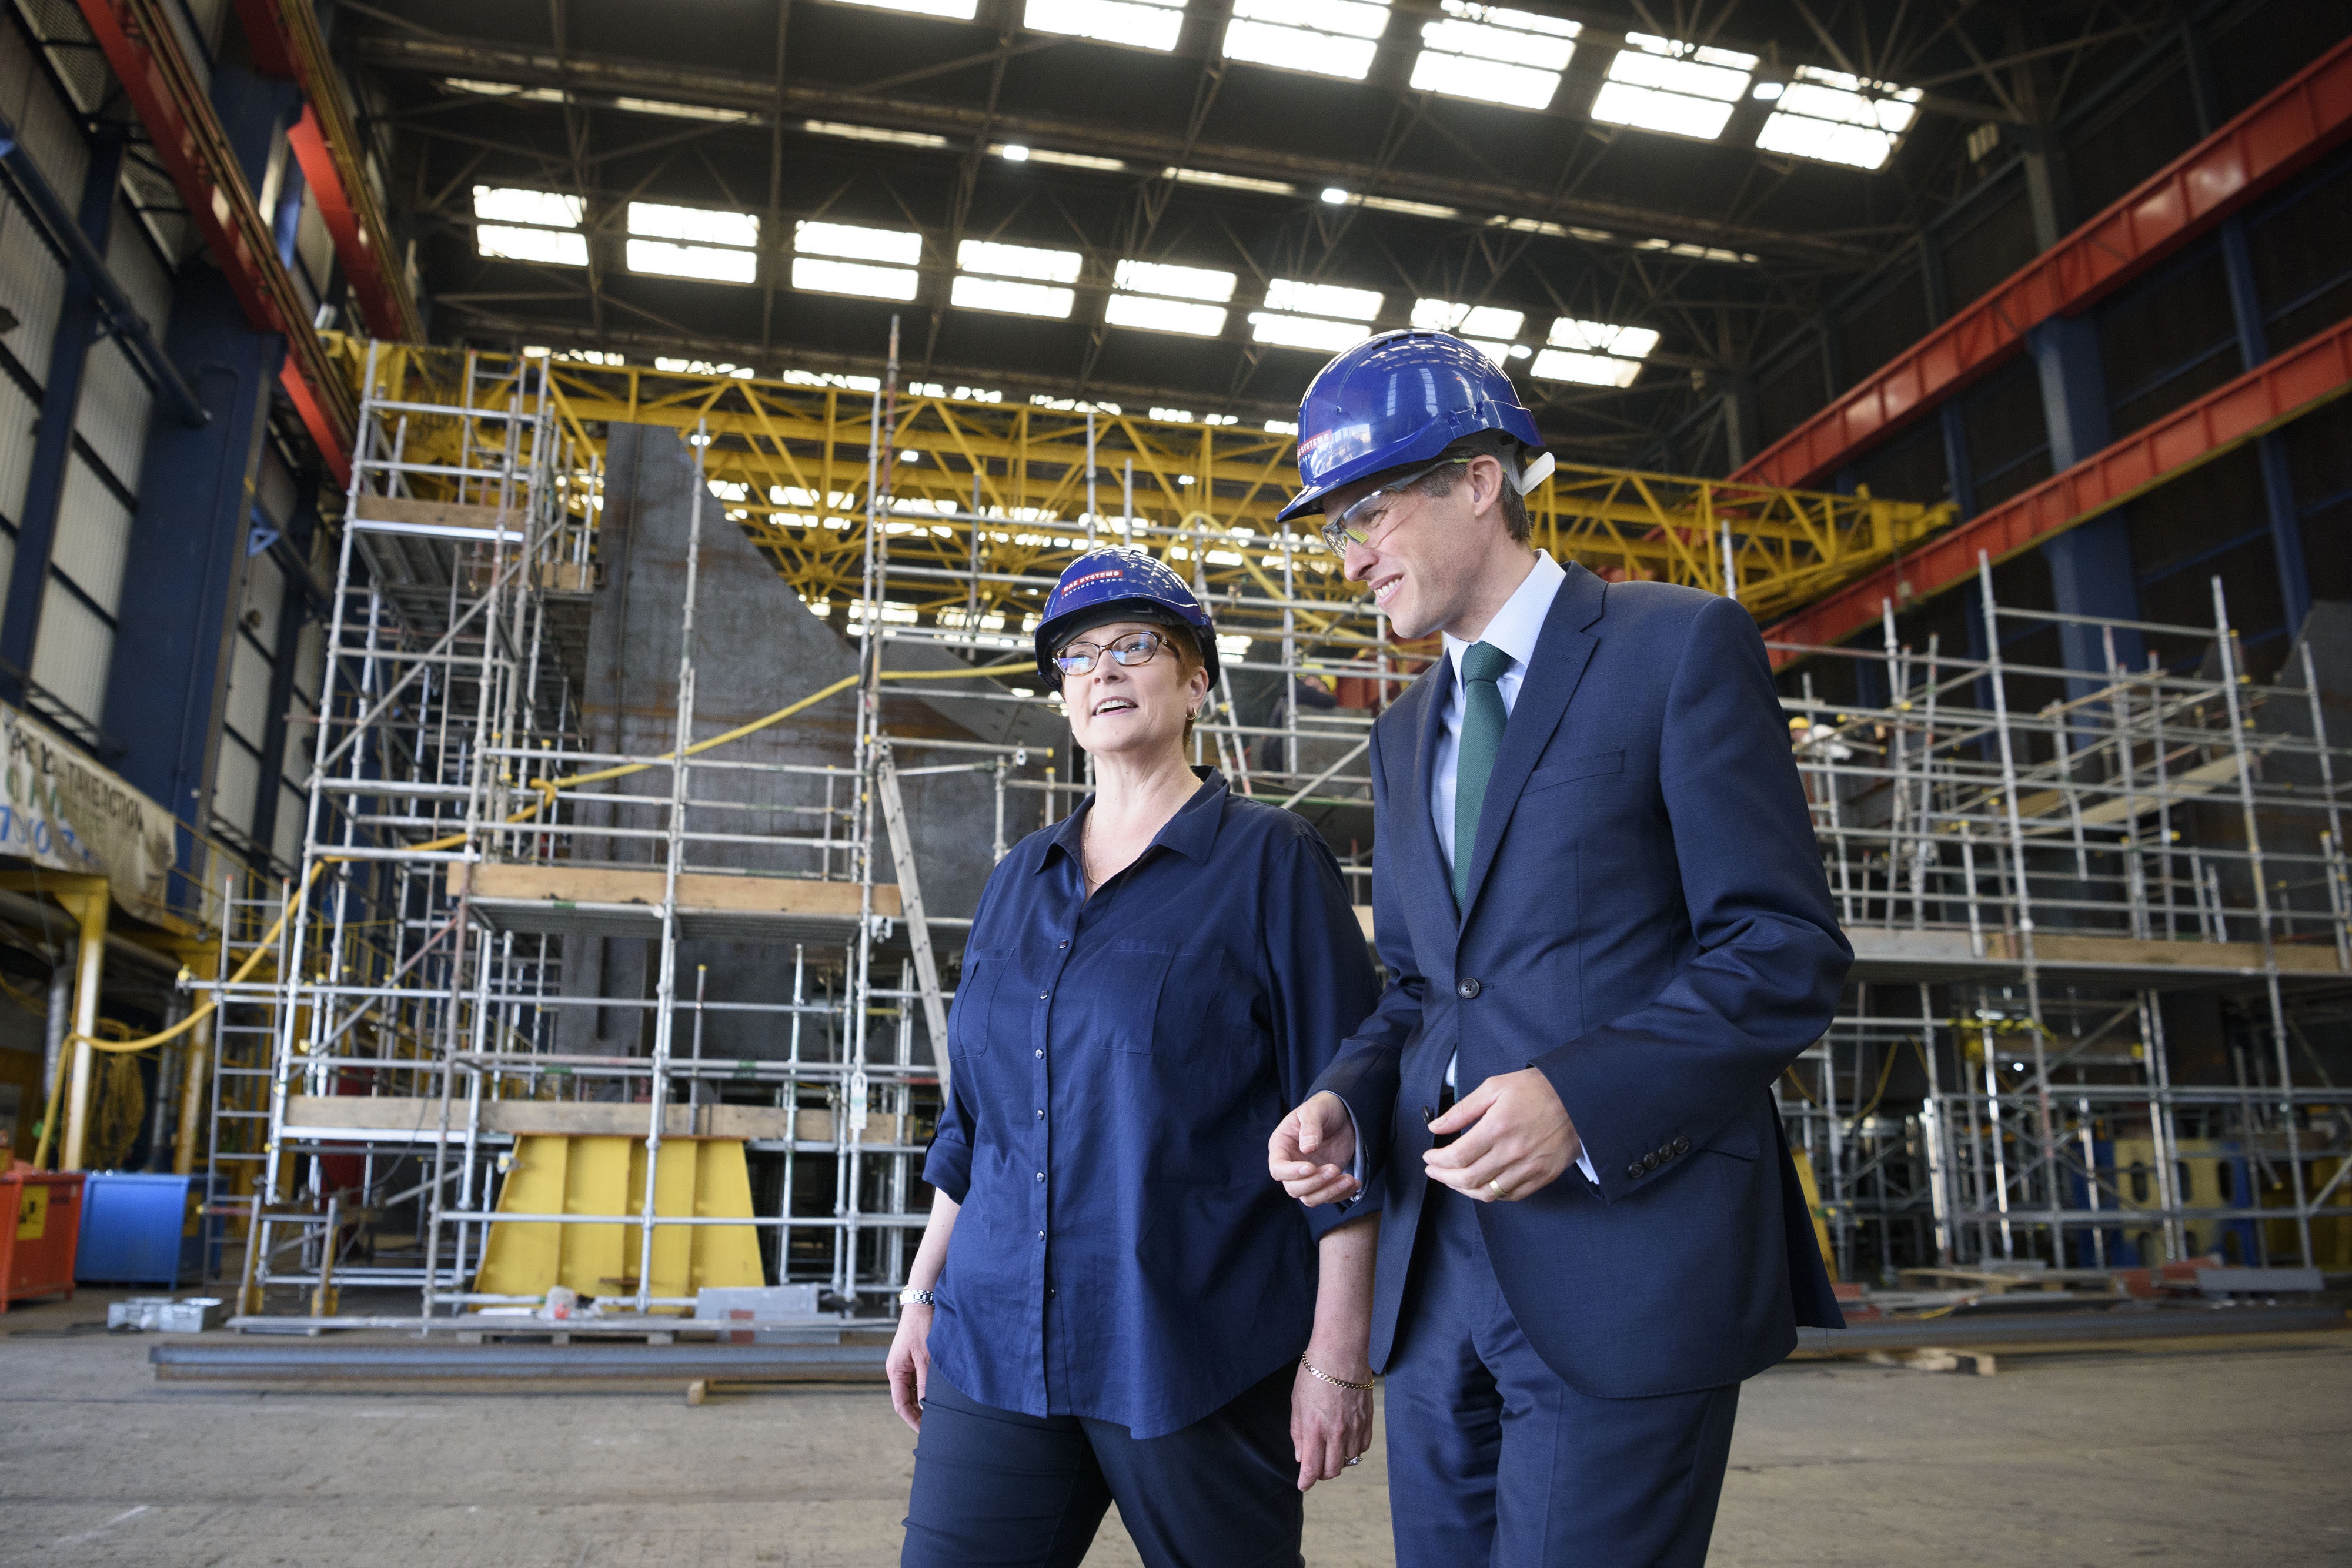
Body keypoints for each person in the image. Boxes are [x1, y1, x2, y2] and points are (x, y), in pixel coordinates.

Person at [1265, 330, 1851, 1567]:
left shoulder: (1674, 645)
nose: (1350, 554)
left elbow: (1779, 944)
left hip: (1624, 1267)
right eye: (1330, 528)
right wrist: (1344, 1099)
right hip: (1437, 1292)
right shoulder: (1404, 728)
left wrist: (1579, 1098)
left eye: (1367, 510)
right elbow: (1429, 986)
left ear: (1478, 481)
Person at [890, 548, 1383, 1568]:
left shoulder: (1270, 863)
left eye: (1135, 646)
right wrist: (920, 1295)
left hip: (1190, 1346)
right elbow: (973, 1124)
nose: (1104, 670)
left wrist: (1338, 1357)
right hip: (995, 1344)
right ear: (1064, 696)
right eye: (1077, 656)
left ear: (1196, 679)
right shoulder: (1016, 880)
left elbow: (1350, 1119)